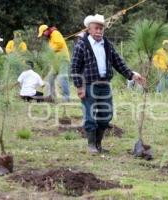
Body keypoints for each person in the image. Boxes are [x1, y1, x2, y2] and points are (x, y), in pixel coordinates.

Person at [71, 14, 145, 154]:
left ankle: (98, 144)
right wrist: (79, 86)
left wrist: (132, 75)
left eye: (101, 29)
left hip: (104, 85)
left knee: (106, 115)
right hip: (89, 85)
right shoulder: (82, 44)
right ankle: (91, 145)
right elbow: (74, 67)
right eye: (96, 28)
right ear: (89, 29)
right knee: (90, 115)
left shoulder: (107, 44)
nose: (99, 31)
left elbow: (118, 62)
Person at [38, 24, 70, 102]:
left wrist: (50, 50)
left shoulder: (55, 33)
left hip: (63, 59)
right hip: (55, 61)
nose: (43, 35)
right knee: (50, 79)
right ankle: (51, 98)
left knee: (63, 78)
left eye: (43, 33)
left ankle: (66, 98)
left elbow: (59, 44)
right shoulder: (51, 38)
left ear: (46, 30)